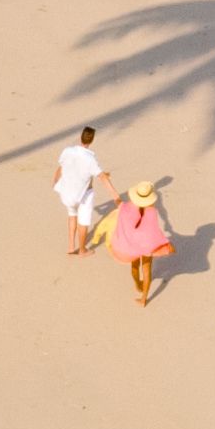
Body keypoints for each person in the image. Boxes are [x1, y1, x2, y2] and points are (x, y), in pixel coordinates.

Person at [108, 177, 176, 307]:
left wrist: (107, 181)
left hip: (132, 245)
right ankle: (144, 299)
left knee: (134, 267)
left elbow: (116, 198)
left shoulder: (126, 208)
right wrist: (165, 243)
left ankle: (137, 284)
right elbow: (154, 231)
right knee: (147, 271)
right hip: (146, 246)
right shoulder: (152, 212)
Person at [53, 126, 113, 256]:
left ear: (81, 137)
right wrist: (116, 197)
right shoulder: (91, 159)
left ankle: (70, 246)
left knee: (72, 215)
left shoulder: (68, 151)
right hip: (84, 194)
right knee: (83, 221)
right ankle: (82, 250)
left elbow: (61, 167)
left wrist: (55, 181)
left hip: (68, 192)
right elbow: (101, 177)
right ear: (92, 140)